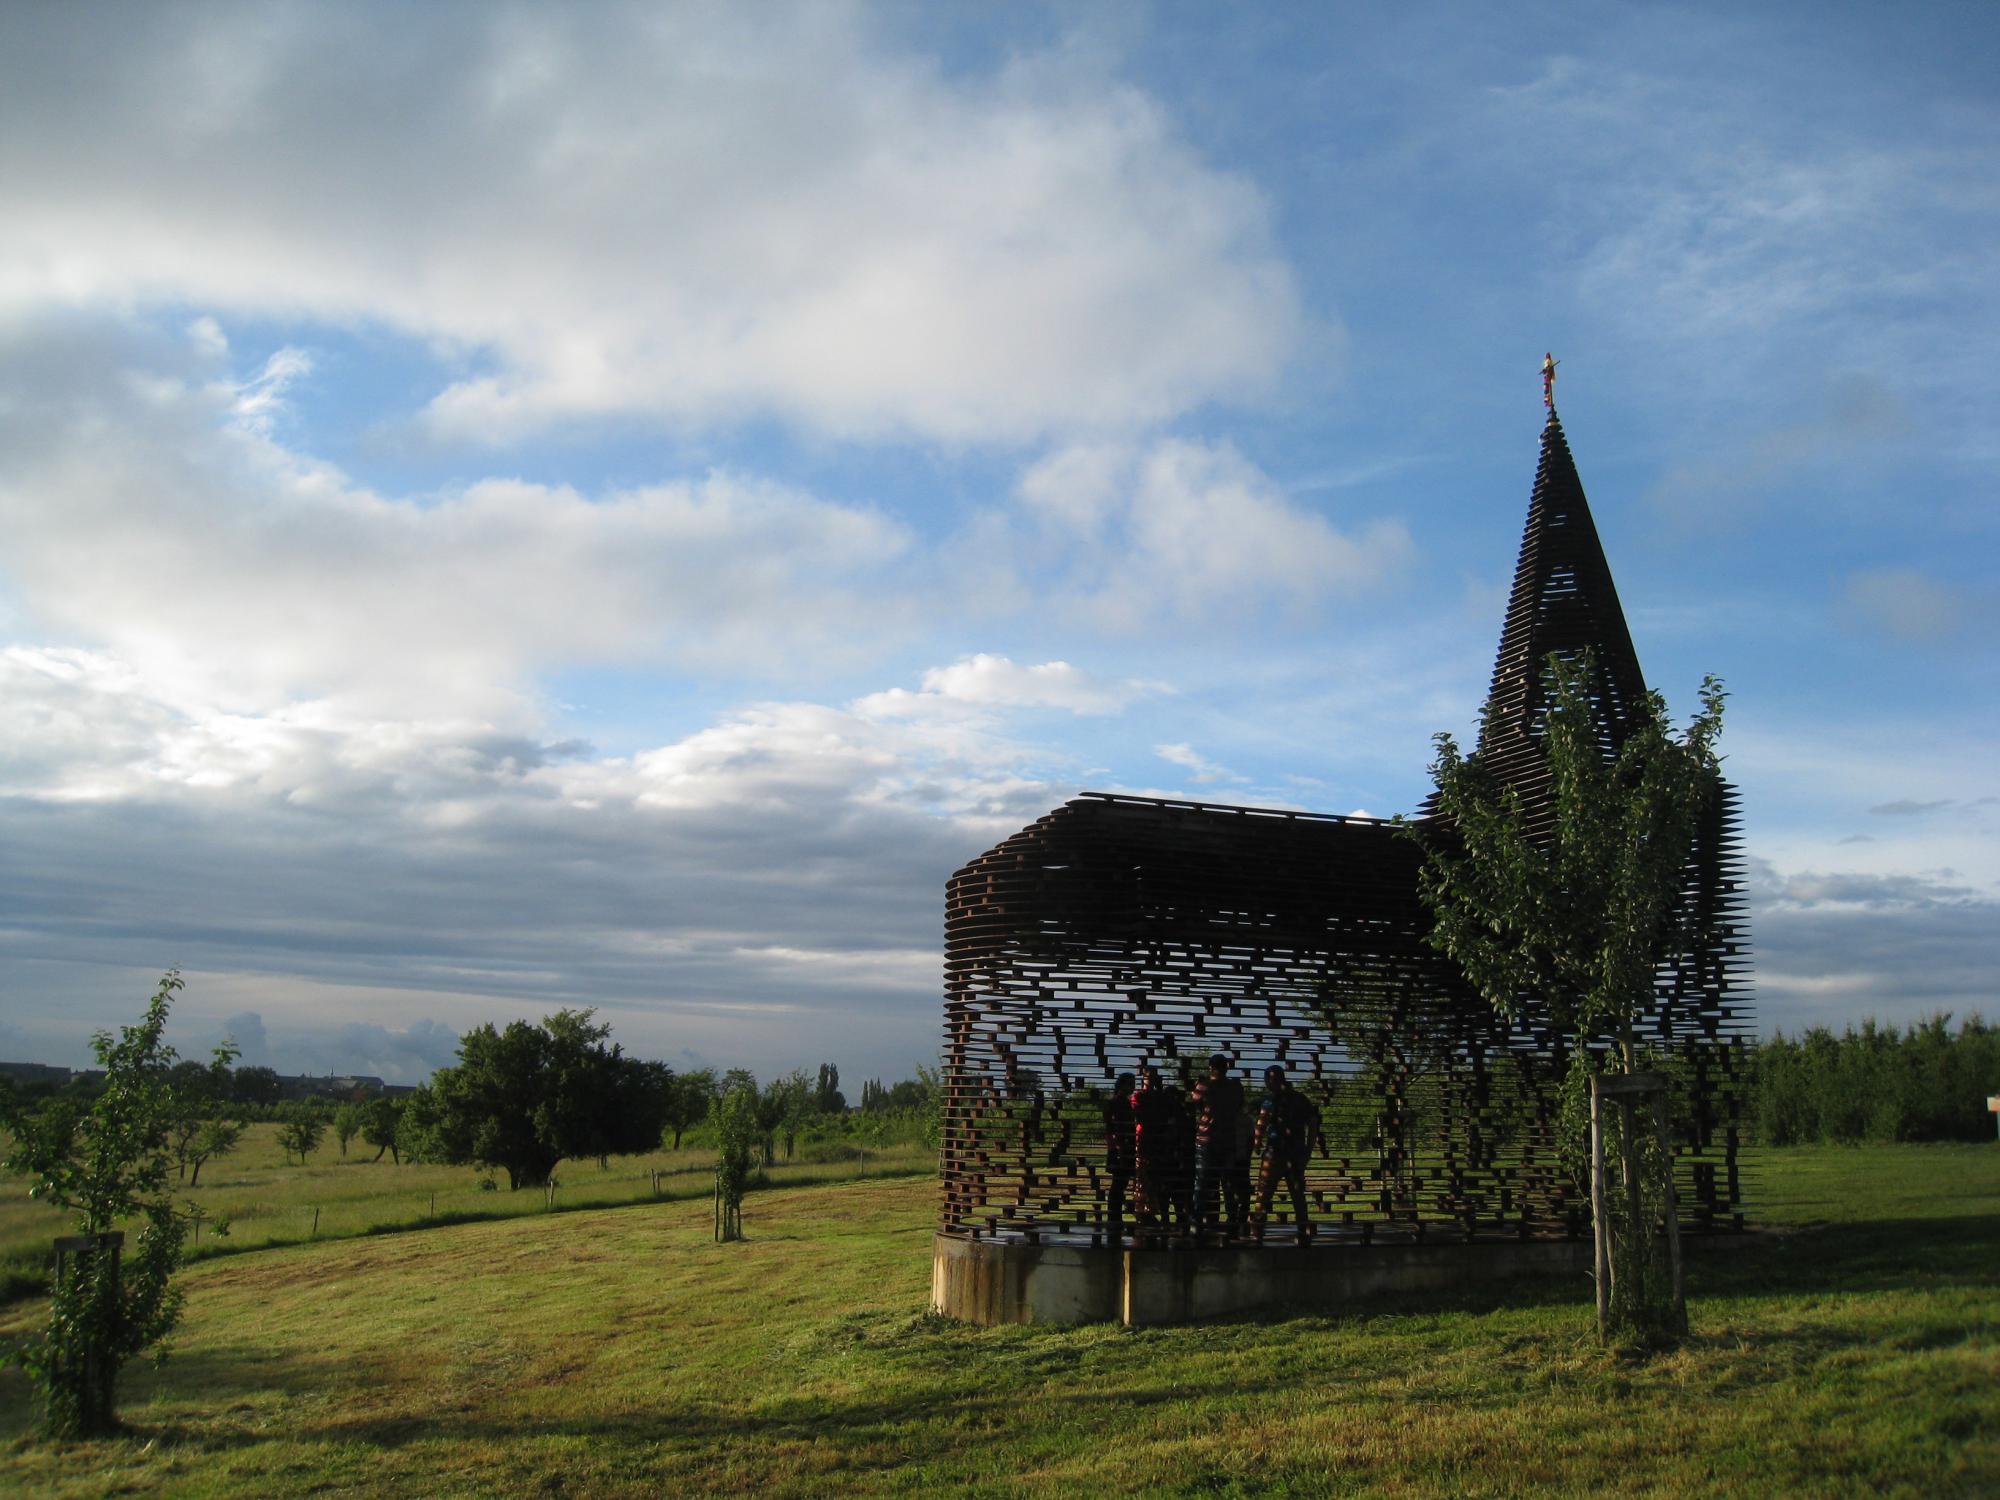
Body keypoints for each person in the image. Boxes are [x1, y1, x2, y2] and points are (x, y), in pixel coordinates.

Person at [1251, 1064, 1322, 1246]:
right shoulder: (1301, 1099)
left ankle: (1257, 1230)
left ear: (1271, 1080)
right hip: (1296, 1153)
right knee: (1297, 1195)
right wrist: (1308, 1148)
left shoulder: (1271, 1101)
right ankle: (1302, 1229)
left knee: (1264, 1192)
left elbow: (1262, 1123)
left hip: (1275, 1152)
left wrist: (1257, 1144)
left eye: (1268, 1080)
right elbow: (1313, 1123)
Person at [1131, 1064, 1192, 1245]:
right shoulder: (1140, 1096)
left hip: (1160, 1144)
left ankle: (1152, 1213)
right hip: (1146, 1142)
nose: (1153, 1080)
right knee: (1144, 1179)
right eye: (1150, 1077)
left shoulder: (1160, 1097)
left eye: (1155, 1077)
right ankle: (1144, 1213)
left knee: (1157, 1181)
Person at [1190, 1054, 1246, 1242]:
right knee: (1228, 1183)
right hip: (1228, 1139)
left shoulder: (1204, 1086)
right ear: (1226, 1067)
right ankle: (1232, 1221)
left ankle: (1196, 1222)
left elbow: (1195, 1103)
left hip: (1207, 1138)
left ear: (1210, 1067)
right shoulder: (1235, 1087)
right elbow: (1239, 1107)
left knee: (1202, 1183)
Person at [1102, 1072, 1136, 1247]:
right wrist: (1119, 1149)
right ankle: (1114, 1218)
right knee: (1118, 1184)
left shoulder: (1123, 1103)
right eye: (1129, 1083)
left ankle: (1115, 1218)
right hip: (1119, 1149)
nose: (1132, 1087)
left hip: (1123, 1148)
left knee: (1120, 1184)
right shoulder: (1117, 1103)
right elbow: (1112, 1129)